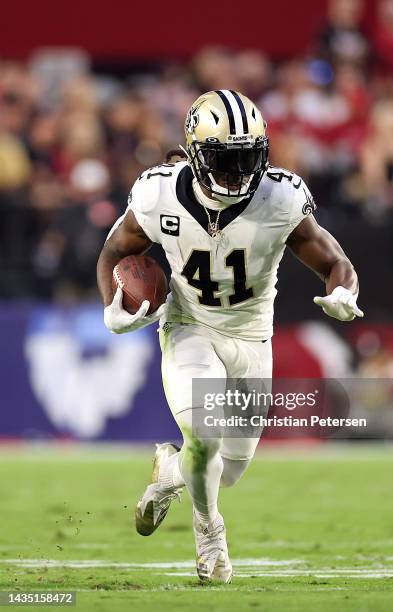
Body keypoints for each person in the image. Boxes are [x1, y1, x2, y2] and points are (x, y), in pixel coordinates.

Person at [96, 90, 363, 583]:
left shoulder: (279, 198)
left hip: (253, 338)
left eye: (248, 159)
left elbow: (333, 260)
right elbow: (115, 248)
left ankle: (168, 476)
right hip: (190, 327)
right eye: (226, 159)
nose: (239, 173)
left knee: (228, 468)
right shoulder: (159, 194)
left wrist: (344, 290)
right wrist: (112, 308)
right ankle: (209, 533)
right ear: (196, 154)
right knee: (204, 435)